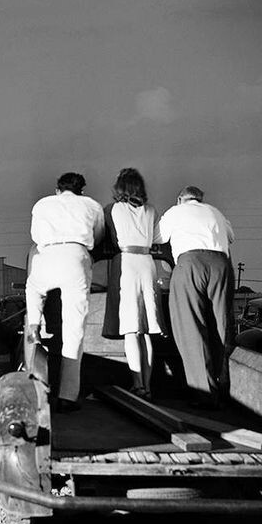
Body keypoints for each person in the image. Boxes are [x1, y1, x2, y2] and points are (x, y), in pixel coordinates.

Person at [25, 172, 105, 413]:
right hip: (76, 257)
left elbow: (35, 236)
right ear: (81, 190)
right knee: (74, 331)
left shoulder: (42, 204)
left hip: (47, 255)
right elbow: (98, 236)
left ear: (58, 189)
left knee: (34, 287)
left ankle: (35, 326)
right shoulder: (92, 205)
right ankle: (68, 397)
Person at [158, 185, 235, 409]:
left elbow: (157, 236)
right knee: (219, 324)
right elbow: (231, 236)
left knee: (190, 325)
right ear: (201, 199)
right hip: (221, 265)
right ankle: (221, 383)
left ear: (180, 199)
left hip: (190, 262)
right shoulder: (216, 212)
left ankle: (203, 391)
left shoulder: (175, 211)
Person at [101, 168, 164, 401]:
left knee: (130, 327)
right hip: (147, 262)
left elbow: (104, 234)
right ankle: (147, 385)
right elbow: (158, 238)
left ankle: (137, 384)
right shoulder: (151, 210)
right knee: (146, 328)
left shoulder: (113, 209)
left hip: (125, 262)